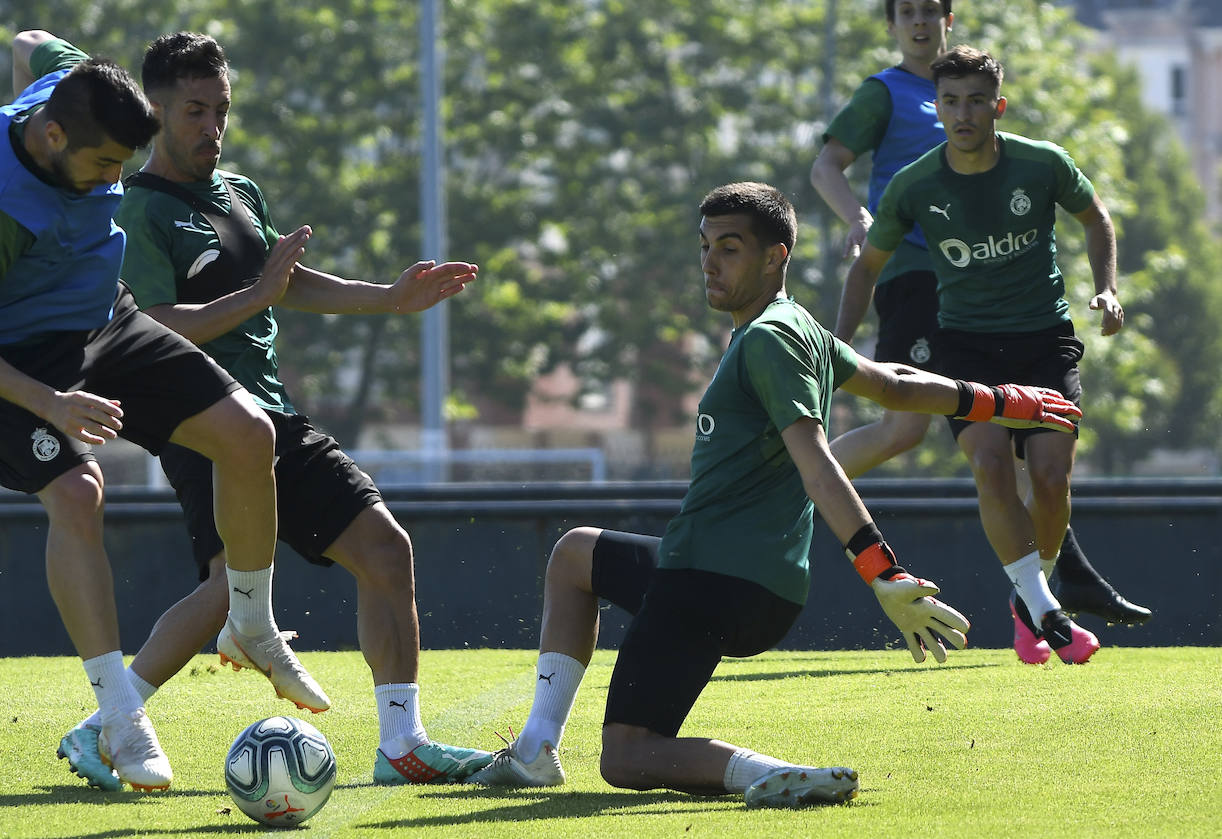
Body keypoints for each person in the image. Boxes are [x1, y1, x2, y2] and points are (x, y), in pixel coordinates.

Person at [469, 181, 1081, 806]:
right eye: (705, 246)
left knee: (627, 756)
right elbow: (894, 385)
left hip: (710, 579)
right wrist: (1004, 400)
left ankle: (774, 772)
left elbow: (817, 463)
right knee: (576, 554)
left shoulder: (768, 338)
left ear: (776, 256)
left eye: (729, 248)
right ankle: (536, 749)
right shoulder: (796, 328)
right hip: (748, 582)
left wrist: (882, 571)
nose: (709, 263)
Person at [51, 31, 492, 790]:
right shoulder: (136, 211)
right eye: (195, 110)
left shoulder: (239, 192)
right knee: (231, 589)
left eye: (221, 110)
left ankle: (402, 743)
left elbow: (285, 282)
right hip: (202, 422)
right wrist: (252, 298)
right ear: (154, 113)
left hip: (277, 416)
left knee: (386, 551)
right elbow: (149, 324)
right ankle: (101, 726)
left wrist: (388, 298)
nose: (212, 127)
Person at [0, 30, 324, 792]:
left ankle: (251, 621)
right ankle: (118, 713)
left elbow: (30, 41)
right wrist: (50, 402)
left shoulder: (72, 91)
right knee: (79, 494)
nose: (117, 178)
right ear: (50, 138)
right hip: (9, 355)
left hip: (105, 317)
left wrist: (25, 83)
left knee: (250, 434)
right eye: (106, 165)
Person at [812, 1, 1149, 663]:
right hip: (961, 342)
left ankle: (1033, 594)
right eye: (951, 102)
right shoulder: (910, 178)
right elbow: (862, 262)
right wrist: (837, 347)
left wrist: (1107, 286)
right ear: (936, 108)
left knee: (1050, 477)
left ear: (998, 107)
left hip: (1044, 339)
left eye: (975, 102)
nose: (962, 113)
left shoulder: (1040, 163)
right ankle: (1042, 603)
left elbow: (1096, 218)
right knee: (986, 461)